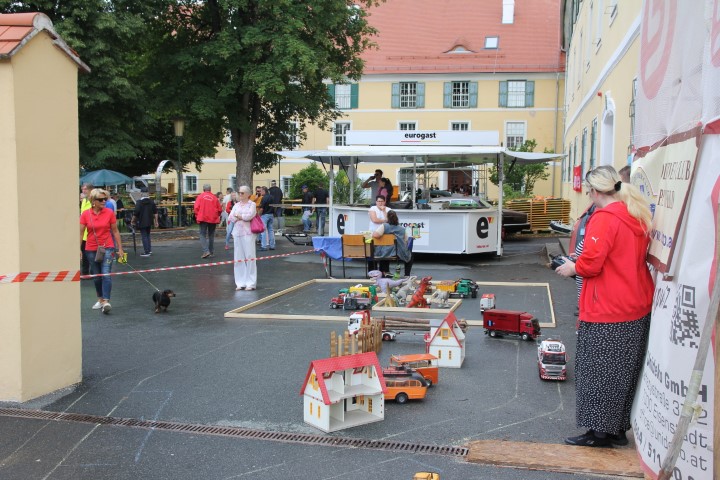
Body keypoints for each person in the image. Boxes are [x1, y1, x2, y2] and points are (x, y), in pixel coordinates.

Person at [555, 165, 653, 448]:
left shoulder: (604, 218)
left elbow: (592, 263)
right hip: (635, 303)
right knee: (623, 371)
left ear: (595, 191)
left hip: (609, 306)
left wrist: (573, 267)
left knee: (597, 371)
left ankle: (598, 433)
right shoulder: (634, 214)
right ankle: (617, 429)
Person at [79, 188, 125, 314]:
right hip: (91, 248)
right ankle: (100, 299)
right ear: (93, 201)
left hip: (108, 247)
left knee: (106, 274)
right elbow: (81, 232)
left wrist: (120, 248)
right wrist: (79, 249)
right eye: (101, 199)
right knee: (97, 276)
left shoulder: (109, 212)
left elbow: (115, 231)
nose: (104, 201)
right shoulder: (85, 214)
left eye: (105, 199)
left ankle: (106, 301)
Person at [228, 186, 257, 291]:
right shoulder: (236, 205)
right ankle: (240, 282)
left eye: (242, 193)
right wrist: (240, 216)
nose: (240, 195)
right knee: (238, 258)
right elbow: (231, 217)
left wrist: (239, 216)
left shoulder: (252, 204)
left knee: (250, 256)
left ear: (248, 194)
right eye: (239, 193)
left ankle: (251, 283)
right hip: (237, 233)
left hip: (248, 233)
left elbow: (249, 216)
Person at [372, 210, 413, 276]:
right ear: (396, 218)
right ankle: (407, 274)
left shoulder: (384, 226)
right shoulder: (402, 229)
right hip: (398, 252)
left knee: (383, 252)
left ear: (387, 218)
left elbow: (376, 235)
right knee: (410, 256)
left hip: (385, 252)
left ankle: (384, 272)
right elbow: (406, 240)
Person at [193, 184, 222, 258]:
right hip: (213, 218)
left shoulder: (200, 197)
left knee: (202, 234)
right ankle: (211, 252)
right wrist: (217, 215)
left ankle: (206, 251)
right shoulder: (214, 197)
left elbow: (196, 207)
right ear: (210, 189)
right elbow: (219, 209)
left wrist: (197, 216)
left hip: (203, 218)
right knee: (211, 235)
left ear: (203, 189)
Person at [131, 188, 159, 257]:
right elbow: (155, 212)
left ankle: (146, 252)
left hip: (142, 221)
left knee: (144, 236)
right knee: (148, 235)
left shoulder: (139, 202)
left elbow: (136, 213)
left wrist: (132, 220)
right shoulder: (151, 202)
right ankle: (149, 250)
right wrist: (156, 221)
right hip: (149, 221)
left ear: (141, 194)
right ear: (148, 194)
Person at [80, 183, 94, 275]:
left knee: (91, 254)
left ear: (90, 190)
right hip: (84, 232)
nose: (83, 191)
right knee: (84, 254)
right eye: (82, 189)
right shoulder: (84, 201)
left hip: (91, 232)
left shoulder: (93, 201)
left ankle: (94, 272)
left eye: (85, 189)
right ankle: (85, 273)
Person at [258, 186, 275, 251]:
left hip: (265, 215)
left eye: (261, 191)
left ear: (264, 191)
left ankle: (264, 246)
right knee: (271, 230)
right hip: (271, 214)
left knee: (263, 231)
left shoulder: (264, 198)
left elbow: (262, 208)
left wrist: (259, 215)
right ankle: (272, 245)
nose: (260, 192)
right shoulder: (272, 197)